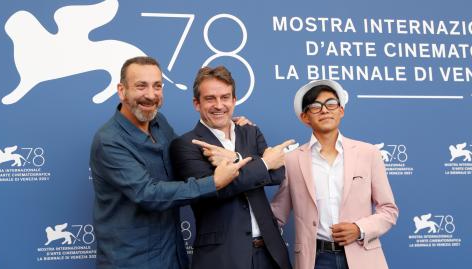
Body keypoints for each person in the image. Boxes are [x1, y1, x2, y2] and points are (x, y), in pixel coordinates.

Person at [89, 57, 251, 269]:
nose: (150, 95)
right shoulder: (109, 141)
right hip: (130, 261)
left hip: (173, 255)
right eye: (141, 86)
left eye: (157, 86)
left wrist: (227, 129)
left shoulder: (159, 123)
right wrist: (214, 183)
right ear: (122, 91)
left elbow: (187, 153)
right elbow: (148, 193)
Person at [170, 66, 294, 269]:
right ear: (196, 104)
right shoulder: (187, 144)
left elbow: (278, 173)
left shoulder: (251, 132)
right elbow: (215, 190)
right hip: (222, 257)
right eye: (210, 98)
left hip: (271, 253)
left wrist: (234, 158)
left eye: (225, 97)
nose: (219, 105)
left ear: (234, 100)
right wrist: (263, 163)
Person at [271, 79, 399, 269]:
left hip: (362, 255)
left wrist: (359, 229)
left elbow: (389, 210)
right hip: (315, 260)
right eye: (315, 106)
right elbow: (276, 216)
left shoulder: (368, 153)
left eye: (331, 104)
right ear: (305, 117)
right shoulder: (291, 160)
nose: (324, 110)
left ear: (341, 111)